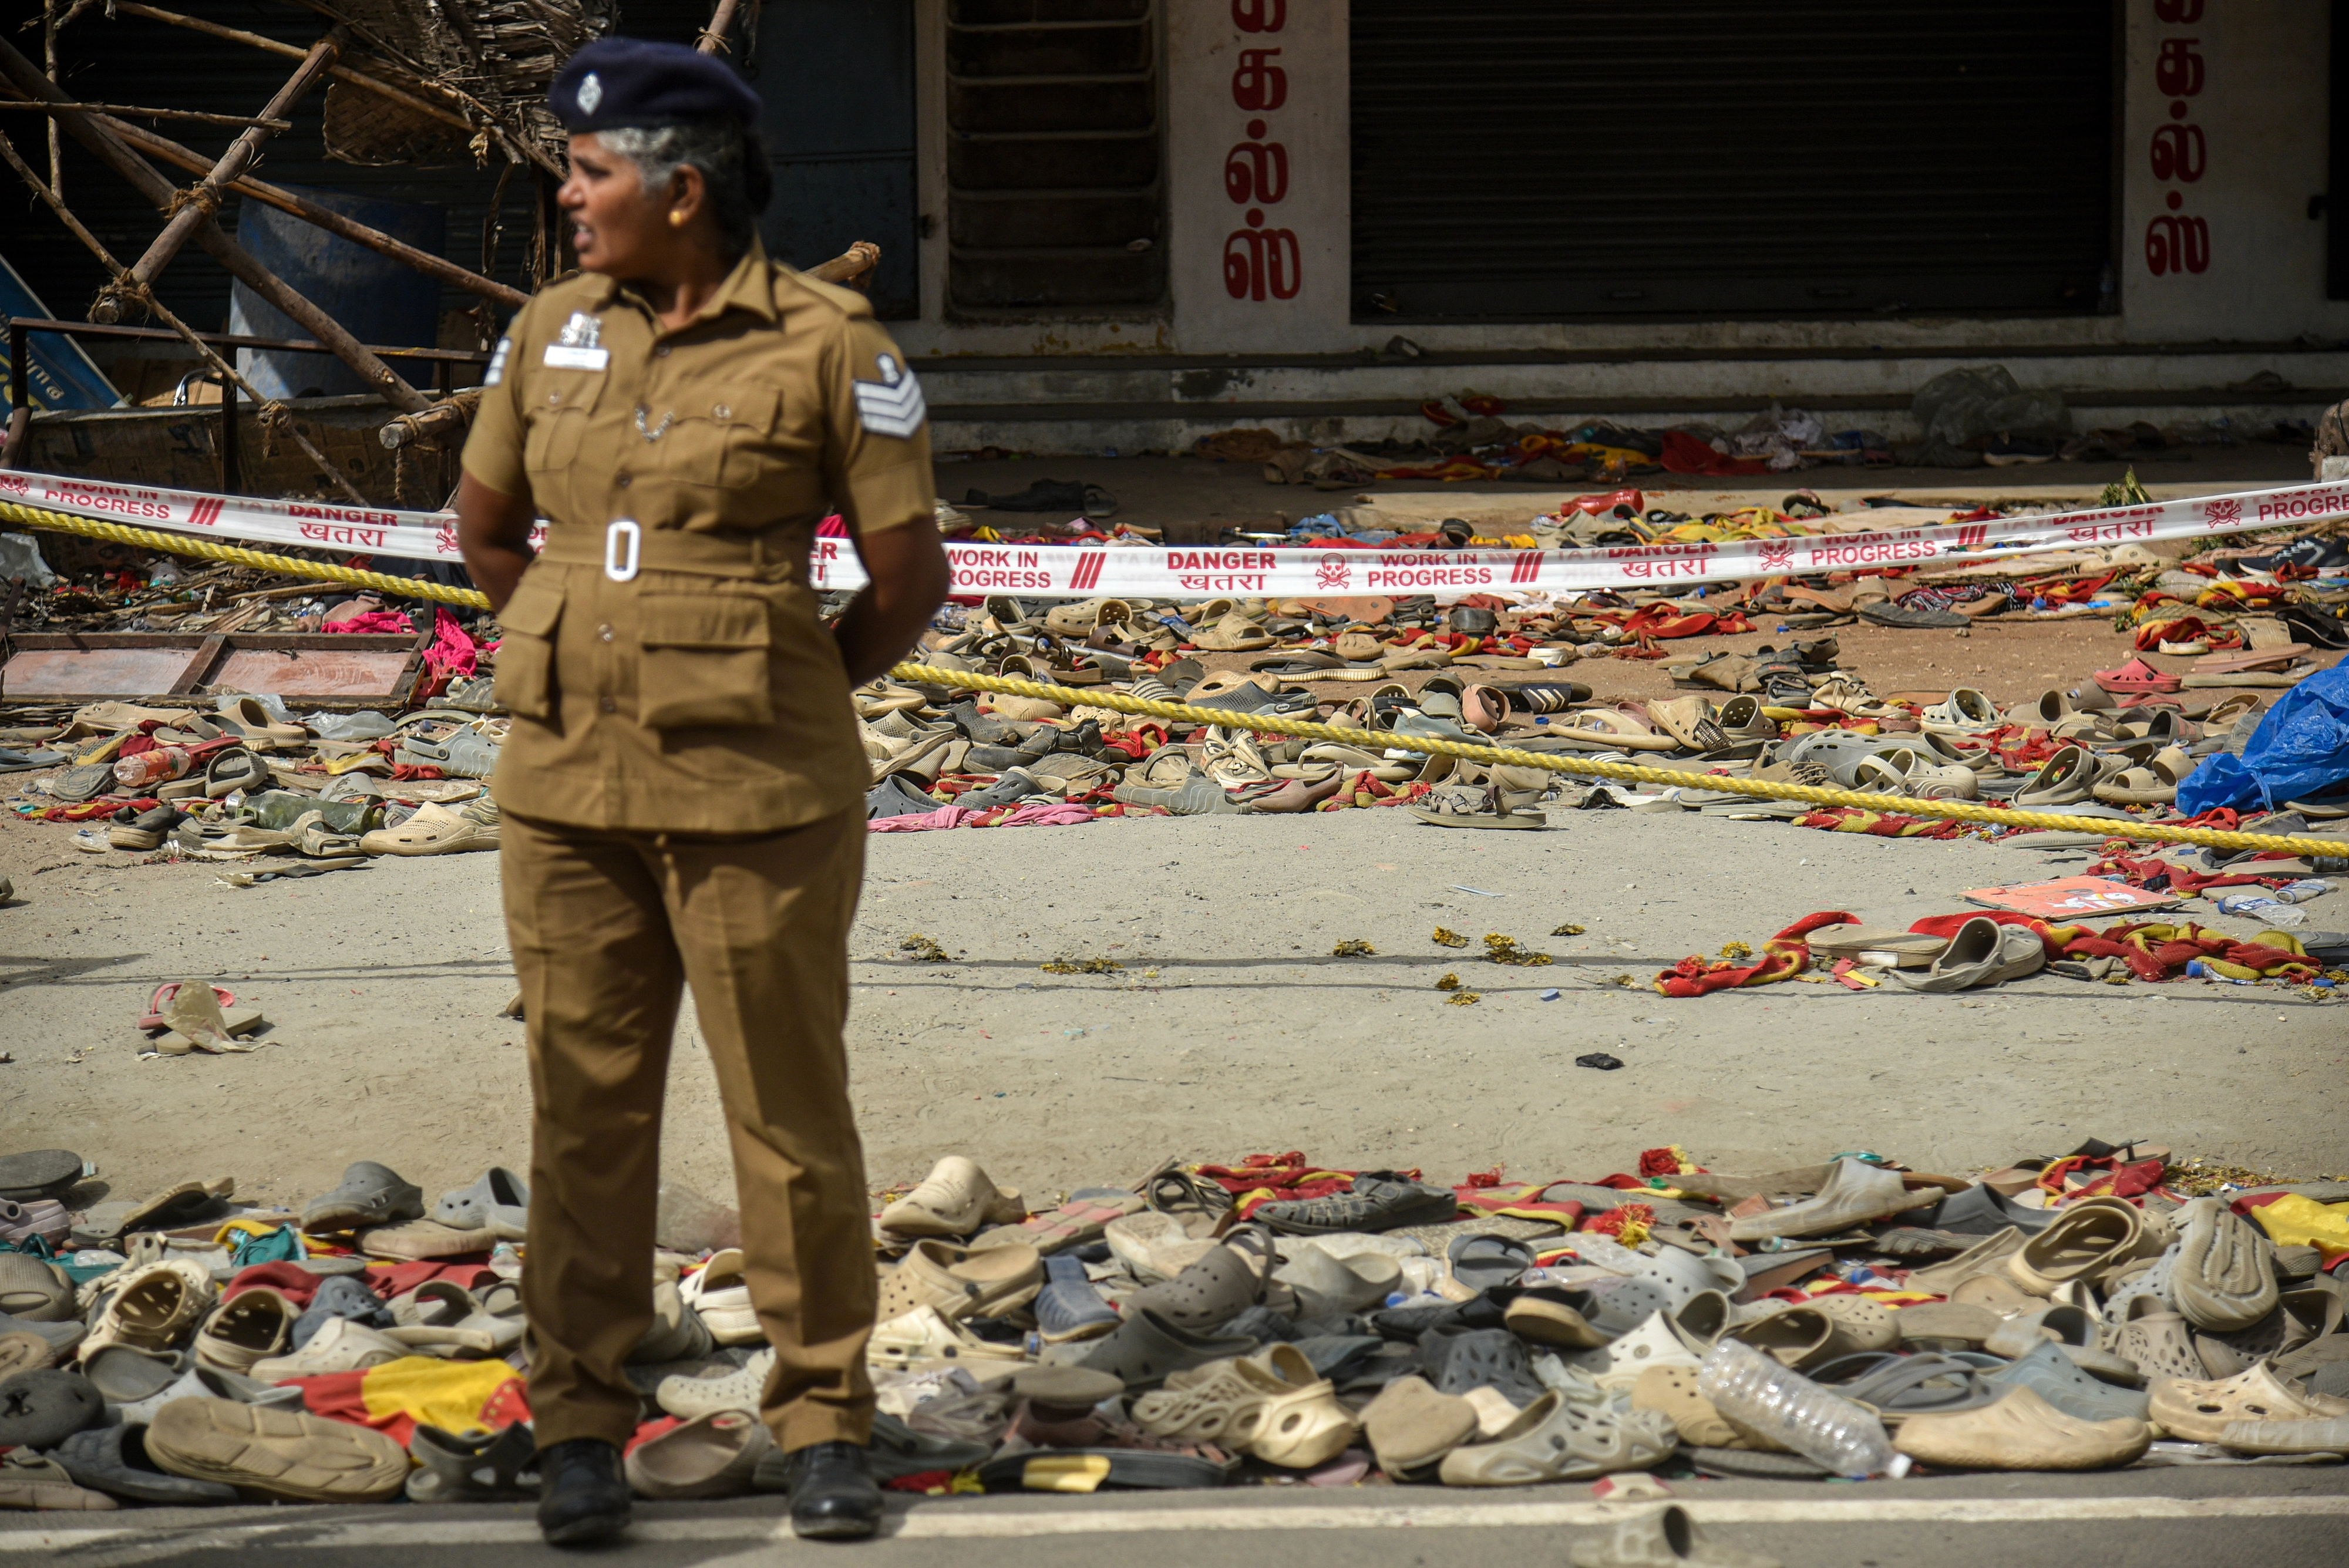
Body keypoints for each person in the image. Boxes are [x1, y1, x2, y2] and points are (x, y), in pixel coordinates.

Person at [453, 36, 950, 1546]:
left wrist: (776, 683)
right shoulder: (546, 332)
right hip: (563, 793)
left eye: (592, 171)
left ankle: (822, 1421)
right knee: (582, 1118)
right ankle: (583, 1427)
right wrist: (577, 646)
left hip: (761, 797)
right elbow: (486, 532)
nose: (569, 191)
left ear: (684, 190)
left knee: (787, 1122)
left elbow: (905, 580)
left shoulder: (833, 347)